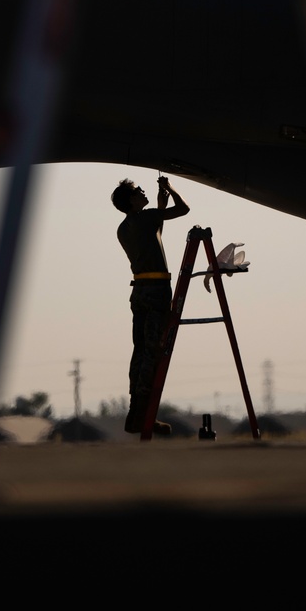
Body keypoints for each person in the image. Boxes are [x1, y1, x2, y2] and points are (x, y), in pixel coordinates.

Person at [112, 174, 189, 434]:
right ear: (132, 201)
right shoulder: (145, 218)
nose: (142, 191)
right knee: (152, 352)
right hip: (157, 290)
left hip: (140, 290)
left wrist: (159, 202)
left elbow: (155, 230)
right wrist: (170, 189)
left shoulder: (126, 227)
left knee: (140, 351)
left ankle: (138, 412)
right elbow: (184, 210)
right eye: (138, 191)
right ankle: (142, 414)